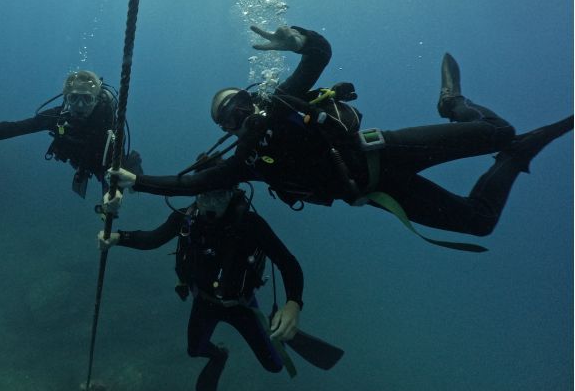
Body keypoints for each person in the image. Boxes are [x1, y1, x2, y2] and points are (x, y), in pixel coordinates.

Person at [108, 25, 572, 245]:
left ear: (253, 98)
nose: (239, 115)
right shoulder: (245, 163)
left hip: (387, 150)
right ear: (227, 130)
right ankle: (516, 157)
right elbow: (195, 184)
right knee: (478, 221)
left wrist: (301, 42)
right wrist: (137, 182)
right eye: (227, 118)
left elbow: (320, 57)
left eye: (239, 103)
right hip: (378, 189)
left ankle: (452, 104)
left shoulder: (280, 104)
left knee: (497, 129)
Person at [98, 183, 343, 391]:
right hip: (204, 302)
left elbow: (288, 264)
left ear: (231, 193)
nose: (208, 202)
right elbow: (153, 238)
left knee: (274, 366)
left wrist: (293, 305)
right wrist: (118, 238)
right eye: (203, 193)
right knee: (195, 350)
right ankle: (219, 356)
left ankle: (282, 328)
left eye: (217, 195)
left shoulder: (250, 225)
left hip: (241, 305)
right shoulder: (186, 218)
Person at [0, 70, 142, 198]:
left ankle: (136, 171)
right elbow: (20, 127)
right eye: (74, 97)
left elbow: (113, 165)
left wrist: (113, 192)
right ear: (65, 98)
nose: (79, 105)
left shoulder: (106, 122)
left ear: (96, 100)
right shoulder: (58, 116)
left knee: (131, 185)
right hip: (82, 161)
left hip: (102, 163)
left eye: (86, 99)